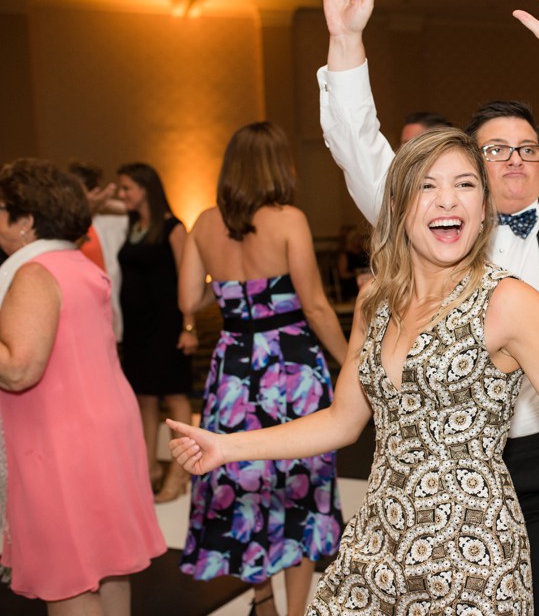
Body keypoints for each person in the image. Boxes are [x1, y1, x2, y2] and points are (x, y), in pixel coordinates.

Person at [167, 128, 539, 615]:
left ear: (483, 207)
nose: (448, 200)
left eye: (465, 185)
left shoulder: (508, 303)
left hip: (469, 555)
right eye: (429, 186)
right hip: (377, 542)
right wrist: (226, 447)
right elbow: (341, 421)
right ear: (401, 205)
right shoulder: (378, 300)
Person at [317, 0, 539, 612]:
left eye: (528, 150)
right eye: (495, 151)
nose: (515, 162)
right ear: (465, 166)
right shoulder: (429, 220)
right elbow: (358, 146)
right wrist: (345, 39)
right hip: (445, 476)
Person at [176, 122, 349, 616]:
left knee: (240, 478)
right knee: (300, 483)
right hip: (290, 365)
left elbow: (189, 298)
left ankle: (262, 602)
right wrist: (349, 363)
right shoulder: (288, 218)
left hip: (233, 367)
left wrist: (231, 289)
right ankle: (295, 613)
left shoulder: (205, 223)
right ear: (279, 166)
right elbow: (315, 306)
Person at [0, 159, 166, 614]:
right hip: (102, 429)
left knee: (69, 578)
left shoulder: (34, 274)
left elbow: (19, 370)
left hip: (58, 441)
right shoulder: (77, 263)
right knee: (108, 567)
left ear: (26, 220)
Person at [116, 161, 197, 501]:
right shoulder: (133, 225)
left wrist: (189, 325)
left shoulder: (173, 227)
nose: (120, 195)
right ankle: (148, 468)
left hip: (167, 324)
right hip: (136, 328)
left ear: (146, 189)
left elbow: (188, 277)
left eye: (126, 188)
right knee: (144, 398)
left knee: (176, 396)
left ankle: (180, 474)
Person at [68, 160, 128, 343]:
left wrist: (103, 203)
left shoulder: (108, 223)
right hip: (77, 307)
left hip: (107, 305)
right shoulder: (67, 226)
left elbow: (136, 212)